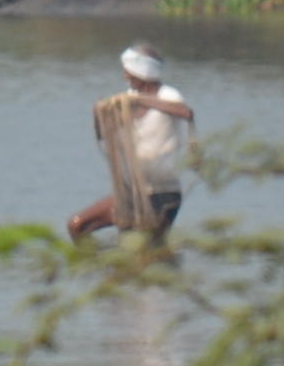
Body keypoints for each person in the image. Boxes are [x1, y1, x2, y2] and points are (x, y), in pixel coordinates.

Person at [67, 43, 198, 244]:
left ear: (142, 72)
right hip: (132, 193)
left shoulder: (168, 95)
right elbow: (103, 135)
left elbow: (185, 112)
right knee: (77, 226)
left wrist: (141, 101)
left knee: (148, 250)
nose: (125, 77)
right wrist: (99, 115)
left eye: (129, 72)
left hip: (163, 193)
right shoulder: (127, 100)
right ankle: (95, 262)